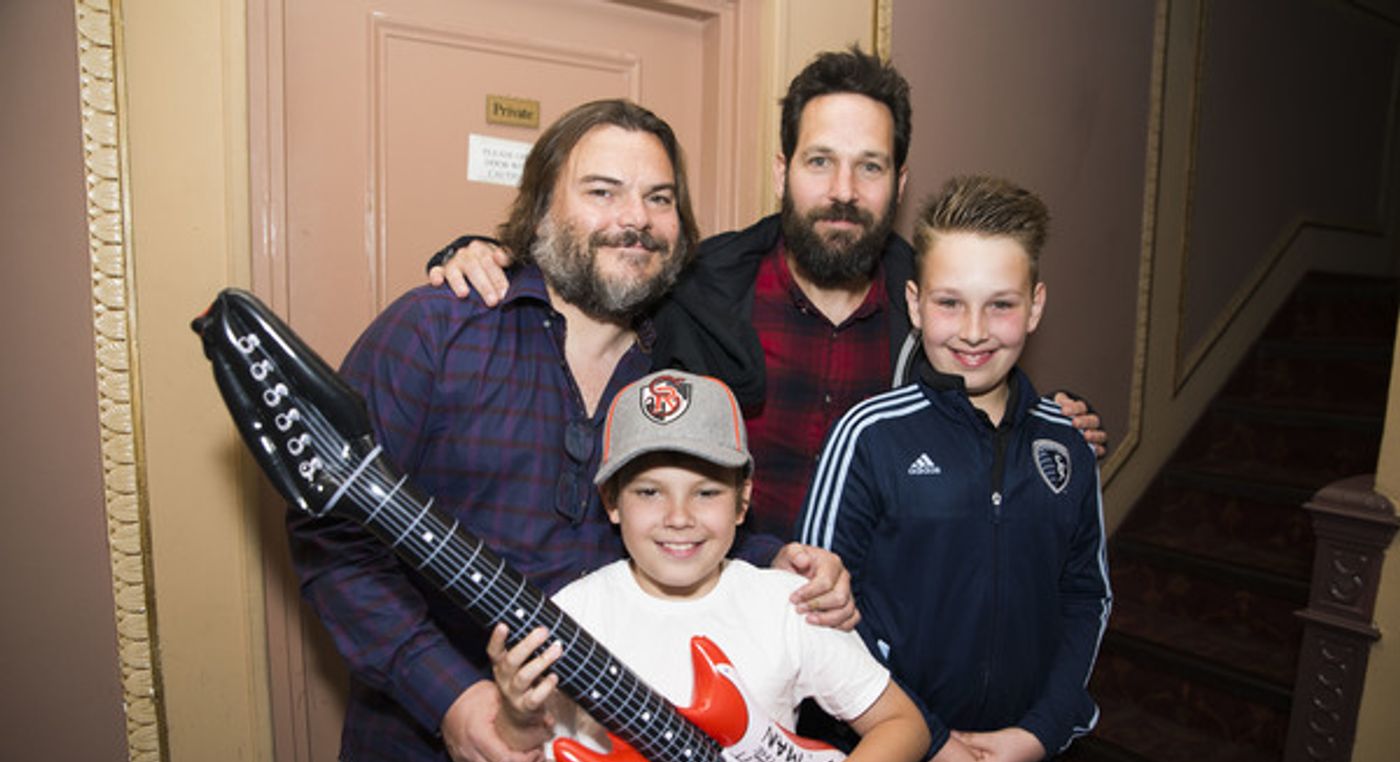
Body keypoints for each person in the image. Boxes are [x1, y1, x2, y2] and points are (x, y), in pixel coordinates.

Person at [286, 98, 856, 762]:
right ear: (540, 205)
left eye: (660, 197)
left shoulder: (678, 368)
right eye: (602, 190)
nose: (636, 219)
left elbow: (681, 528)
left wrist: (784, 561)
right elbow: (333, 537)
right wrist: (454, 704)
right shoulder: (437, 328)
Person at [428, 47, 1107, 539]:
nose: (843, 191)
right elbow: (594, 269)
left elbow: (990, 394)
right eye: (820, 162)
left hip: (882, 650)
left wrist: (1045, 421)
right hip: (722, 641)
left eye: (869, 167)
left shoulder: (936, 311)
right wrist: (484, 254)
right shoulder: (695, 285)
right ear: (782, 171)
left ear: (900, 184)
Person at [485, 368, 931, 762]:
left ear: (744, 500)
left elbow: (905, 726)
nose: (679, 517)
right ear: (611, 501)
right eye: (649, 491)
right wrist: (519, 721)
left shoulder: (784, 605)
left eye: (707, 492)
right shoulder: (571, 619)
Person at [796, 175, 1112, 762]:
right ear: (913, 305)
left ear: (1035, 305)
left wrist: (1036, 736)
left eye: (1001, 304)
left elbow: (1086, 600)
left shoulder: (1065, 445)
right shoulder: (870, 436)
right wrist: (926, 745)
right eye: (949, 302)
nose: (974, 329)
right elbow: (817, 617)